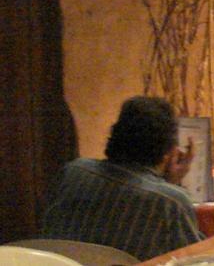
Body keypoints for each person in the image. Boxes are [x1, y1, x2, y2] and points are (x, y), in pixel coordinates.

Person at [40, 96, 204, 261]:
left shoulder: (73, 171)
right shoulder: (172, 202)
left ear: (116, 133)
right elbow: (196, 261)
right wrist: (171, 184)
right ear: (168, 152)